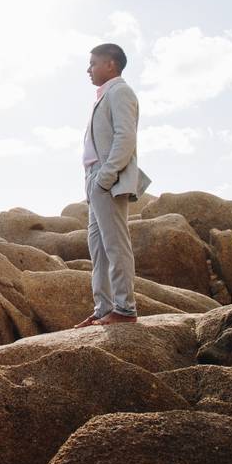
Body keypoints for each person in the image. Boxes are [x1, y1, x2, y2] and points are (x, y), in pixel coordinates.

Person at [73, 44, 151, 328]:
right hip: (94, 179)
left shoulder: (120, 92)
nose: (88, 69)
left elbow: (125, 138)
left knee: (115, 245)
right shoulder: (104, 95)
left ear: (111, 64)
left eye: (93, 63)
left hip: (106, 179)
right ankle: (104, 308)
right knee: (98, 248)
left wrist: (105, 176)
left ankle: (125, 308)